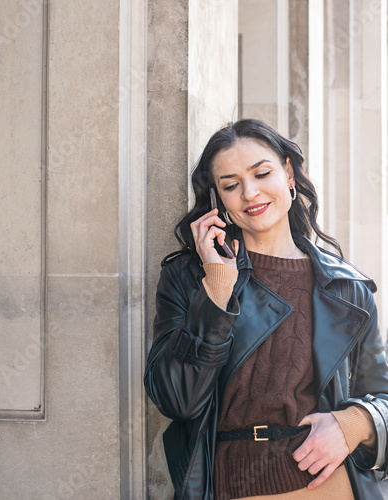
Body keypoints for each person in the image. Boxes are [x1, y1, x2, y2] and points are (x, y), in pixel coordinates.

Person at [144, 119, 388, 500]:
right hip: (229, 486)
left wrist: (353, 423)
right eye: (230, 185)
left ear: (288, 173)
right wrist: (217, 290)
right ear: (218, 199)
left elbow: (382, 396)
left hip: (334, 488)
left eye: (262, 173)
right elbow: (178, 400)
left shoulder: (347, 288)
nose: (250, 193)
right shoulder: (189, 278)